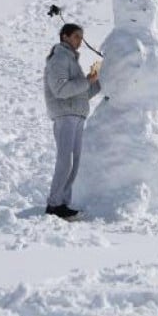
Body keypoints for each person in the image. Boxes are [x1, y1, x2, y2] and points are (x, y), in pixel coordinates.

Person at [42, 23, 101, 220]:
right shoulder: (59, 58)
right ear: (64, 37)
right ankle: (54, 204)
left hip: (76, 115)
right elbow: (60, 90)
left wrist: (97, 81)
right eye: (76, 36)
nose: (80, 41)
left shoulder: (72, 61)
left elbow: (80, 94)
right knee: (65, 161)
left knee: (74, 163)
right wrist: (87, 81)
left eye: (81, 37)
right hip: (65, 115)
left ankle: (62, 204)